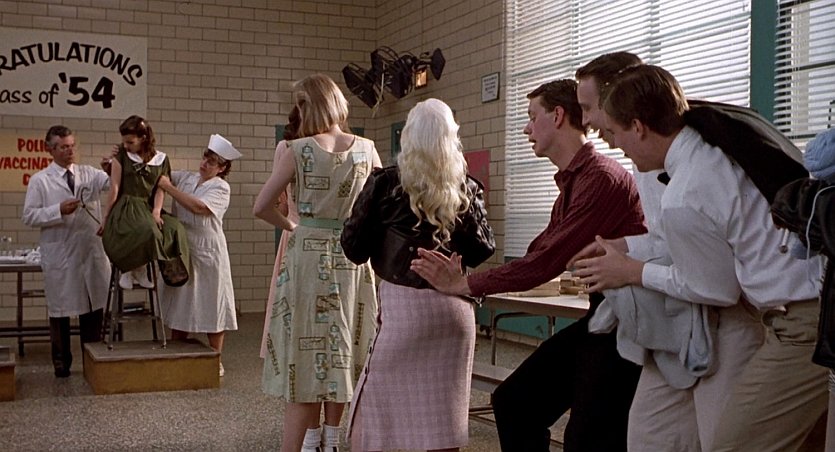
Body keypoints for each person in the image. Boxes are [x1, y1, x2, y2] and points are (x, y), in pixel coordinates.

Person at [570, 64, 827, 452]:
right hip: (803, 308)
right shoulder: (715, 141)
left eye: (616, 132)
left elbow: (716, 289)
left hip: (801, 319)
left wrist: (633, 272)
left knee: (733, 444)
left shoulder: (685, 191)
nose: (615, 144)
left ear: (638, 127)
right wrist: (629, 251)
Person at [411, 79, 646, 452]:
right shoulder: (575, 180)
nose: (526, 128)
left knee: (585, 438)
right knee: (514, 403)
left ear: (557, 116)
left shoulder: (600, 178)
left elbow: (544, 263)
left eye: (532, 117)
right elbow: (542, 251)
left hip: (633, 323)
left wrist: (465, 284)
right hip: (606, 315)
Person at [341, 98, 496, 452]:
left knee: (374, 410)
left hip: (404, 311)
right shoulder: (467, 186)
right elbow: (483, 249)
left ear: (406, 137)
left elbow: (354, 249)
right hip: (454, 311)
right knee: (442, 420)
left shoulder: (384, 183)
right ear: (452, 138)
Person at [254, 73, 381, 452]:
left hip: (308, 256)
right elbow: (379, 207)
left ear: (307, 105)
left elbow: (261, 207)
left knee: (305, 352)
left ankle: (306, 442)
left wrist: (293, 225)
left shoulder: (297, 149)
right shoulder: (368, 149)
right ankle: (332, 438)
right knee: (344, 345)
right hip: (351, 255)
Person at [22, 125, 110, 377]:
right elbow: (29, 216)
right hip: (61, 254)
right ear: (50, 149)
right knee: (60, 312)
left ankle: (92, 363)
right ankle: (61, 364)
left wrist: (111, 167)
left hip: (89, 252)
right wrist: (57, 210)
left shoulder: (88, 173)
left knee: (93, 310)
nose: (70, 151)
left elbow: (111, 183)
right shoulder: (40, 180)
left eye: (72, 146)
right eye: (63, 147)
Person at [155, 134, 241, 378]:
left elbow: (198, 207)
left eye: (212, 162)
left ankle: (215, 358)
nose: (204, 164)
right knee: (180, 302)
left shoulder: (220, 187)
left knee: (211, 303)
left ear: (222, 168)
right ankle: (178, 355)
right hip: (183, 246)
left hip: (209, 250)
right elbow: (160, 173)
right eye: (205, 158)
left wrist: (168, 188)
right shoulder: (187, 178)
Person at [100, 115, 190, 290]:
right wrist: (106, 217)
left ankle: (167, 270)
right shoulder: (122, 154)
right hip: (126, 206)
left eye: (130, 142)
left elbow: (161, 188)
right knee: (148, 229)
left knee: (174, 228)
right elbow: (115, 188)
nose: (126, 145)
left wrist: (156, 211)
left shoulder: (161, 159)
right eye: (124, 142)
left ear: (143, 138)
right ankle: (131, 268)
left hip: (148, 205)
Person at [260, 105, 301, 359]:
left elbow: (279, 205)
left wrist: (292, 223)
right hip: (316, 235)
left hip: (295, 231)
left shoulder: (287, 148)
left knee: (292, 303)